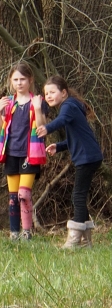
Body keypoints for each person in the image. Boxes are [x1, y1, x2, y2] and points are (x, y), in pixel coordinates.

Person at [35, 76, 104, 248]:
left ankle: (74, 239)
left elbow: (62, 120)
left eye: (52, 92)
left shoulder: (68, 106)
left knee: (78, 195)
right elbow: (77, 138)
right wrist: (58, 146)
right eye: (46, 93)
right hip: (88, 155)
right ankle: (86, 241)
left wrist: (47, 128)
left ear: (63, 92)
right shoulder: (71, 106)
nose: (49, 96)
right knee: (79, 195)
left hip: (87, 157)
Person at [0, 61, 47, 241]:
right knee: (13, 197)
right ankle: (14, 233)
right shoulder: (9, 102)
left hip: (30, 154)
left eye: (22, 79)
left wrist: (38, 109)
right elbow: (1, 130)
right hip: (11, 153)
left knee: (24, 194)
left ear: (30, 80)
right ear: (11, 81)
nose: (19, 83)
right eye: (15, 79)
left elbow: (41, 128)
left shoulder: (37, 101)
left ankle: (27, 232)